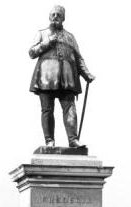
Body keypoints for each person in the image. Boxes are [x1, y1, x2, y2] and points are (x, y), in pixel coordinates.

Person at [29, 5, 95, 148]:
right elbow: (32, 53)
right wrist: (47, 42)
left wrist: (86, 74)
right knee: (47, 110)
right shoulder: (42, 33)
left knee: (70, 108)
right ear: (49, 16)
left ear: (63, 18)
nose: (55, 17)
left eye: (58, 15)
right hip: (46, 77)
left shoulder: (70, 37)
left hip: (67, 77)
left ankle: (73, 140)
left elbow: (78, 58)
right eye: (53, 14)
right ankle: (49, 141)